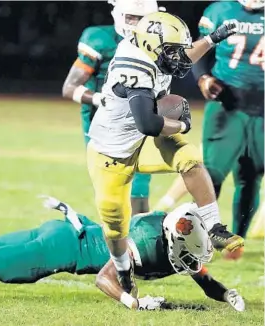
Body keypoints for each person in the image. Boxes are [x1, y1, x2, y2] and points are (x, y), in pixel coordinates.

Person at [0, 197, 244, 312]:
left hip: (65, 232)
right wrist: (132, 301)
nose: (192, 264)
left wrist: (227, 295)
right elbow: (104, 278)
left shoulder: (176, 235)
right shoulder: (146, 243)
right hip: (61, 249)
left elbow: (202, 275)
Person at [86, 11, 243, 295]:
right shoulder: (132, 65)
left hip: (144, 144)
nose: (177, 57)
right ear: (150, 46)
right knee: (115, 226)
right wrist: (181, 123)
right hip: (112, 154)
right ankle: (122, 271)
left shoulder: (155, 50)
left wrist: (212, 38)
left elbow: (183, 57)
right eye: (171, 51)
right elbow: (148, 124)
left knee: (190, 157)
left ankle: (215, 227)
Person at [62, 0, 159, 215]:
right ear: (119, 14)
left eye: (143, 19)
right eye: (132, 17)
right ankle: (117, 244)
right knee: (113, 195)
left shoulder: (161, 41)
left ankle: (141, 243)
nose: (137, 24)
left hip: (140, 123)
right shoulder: (100, 39)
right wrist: (100, 99)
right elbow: (69, 88)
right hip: (103, 126)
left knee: (139, 193)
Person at [192, 0, 264, 239]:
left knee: (251, 176)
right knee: (212, 172)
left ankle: (238, 238)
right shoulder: (220, 10)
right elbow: (199, 49)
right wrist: (203, 78)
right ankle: (201, 236)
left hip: (262, 108)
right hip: (226, 102)